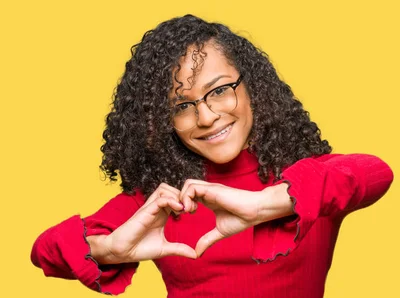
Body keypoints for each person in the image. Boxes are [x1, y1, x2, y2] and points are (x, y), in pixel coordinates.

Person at [29, 14, 394, 298]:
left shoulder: (305, 180)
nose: (205, 117)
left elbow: (375, 173)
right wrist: (107, 249)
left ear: (252, 85)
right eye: (182, 106)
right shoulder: (165, 199)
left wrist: (267, 204)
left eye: (219, 90)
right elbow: (44, 251)